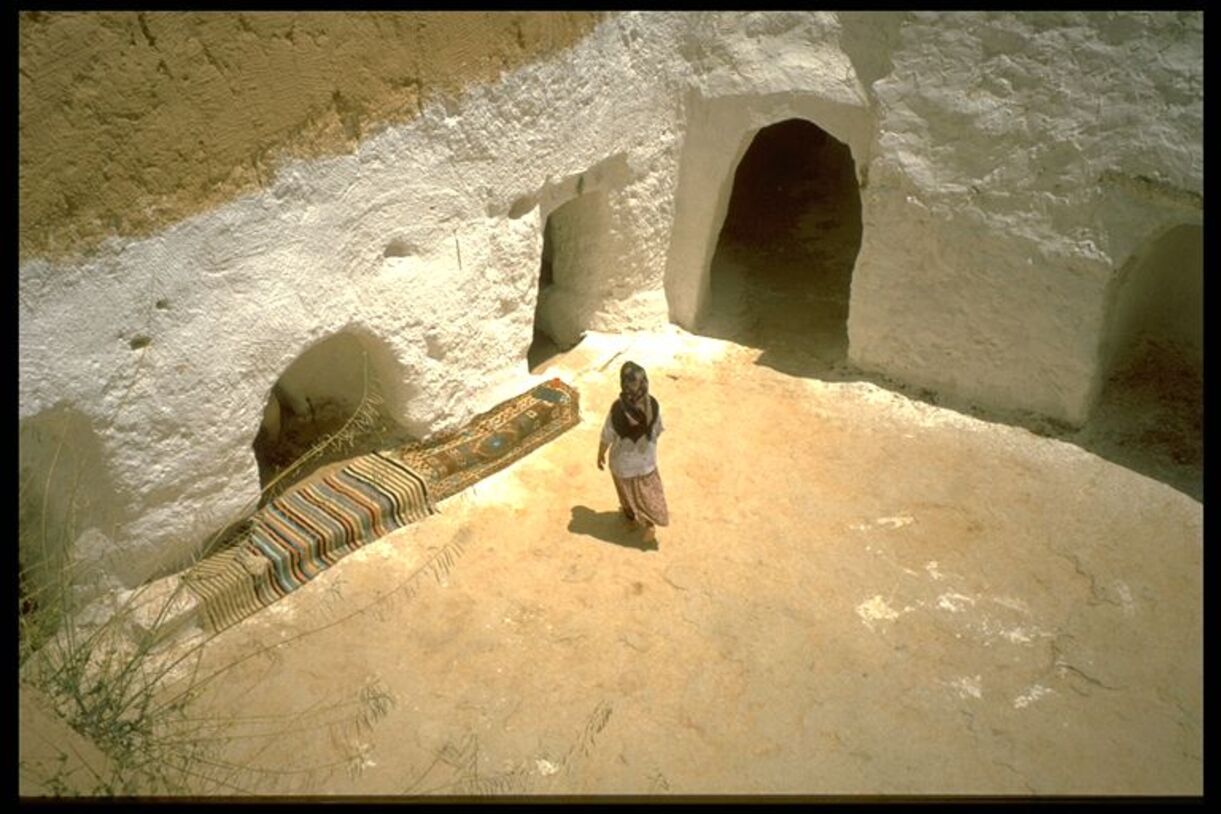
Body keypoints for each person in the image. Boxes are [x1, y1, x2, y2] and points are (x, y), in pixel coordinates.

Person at [597, 361, 670, 546]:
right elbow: (658, 430)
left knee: (626, 494)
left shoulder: (617, 409)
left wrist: (600, 454)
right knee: (648, 494)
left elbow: (607, 435)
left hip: (622, 465)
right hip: (647, 463)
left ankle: (630, 519)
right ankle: (649, 523)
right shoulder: (652, 404)